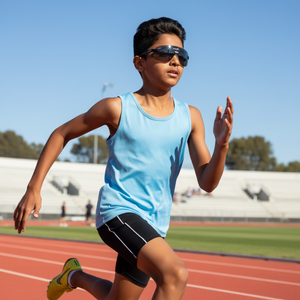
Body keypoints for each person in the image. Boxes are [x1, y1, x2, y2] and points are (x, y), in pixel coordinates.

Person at [13, 17, 233, 300]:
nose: (175, 61)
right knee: (175, 274)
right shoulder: (117, 108)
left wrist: (222, 144)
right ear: (140, 63)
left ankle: (72, 276)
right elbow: (61, 133)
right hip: (118, 213)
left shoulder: (190, 116)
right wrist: (34, 187)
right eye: (165, 53)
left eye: (182, 56)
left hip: (154, 223)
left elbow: (207, 182)